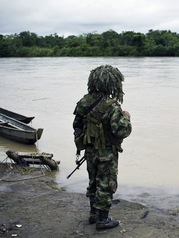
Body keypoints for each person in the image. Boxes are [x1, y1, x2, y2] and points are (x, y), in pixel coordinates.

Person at [72, 65, 132, 231]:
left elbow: (76, 125)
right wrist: (126, 117)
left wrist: (82, 143)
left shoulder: (83, 102)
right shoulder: (112, 106)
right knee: (106, 183)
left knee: (93, 181)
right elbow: (121, 131)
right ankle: (103, 220)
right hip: (107, 152)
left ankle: (93, 214)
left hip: (90, 151)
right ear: (112, 83)